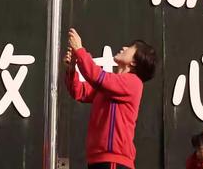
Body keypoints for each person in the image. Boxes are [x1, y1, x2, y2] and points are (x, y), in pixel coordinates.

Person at [65, 27, 156, 169]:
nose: (124, 47)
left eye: (131, 48)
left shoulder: (133, 83)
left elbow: (97, 77)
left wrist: (80, 49)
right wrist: (71, 69)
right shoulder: (111, 84)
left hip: (114, 161)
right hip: (98, 159)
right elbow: (79, 91)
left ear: (134, 62)